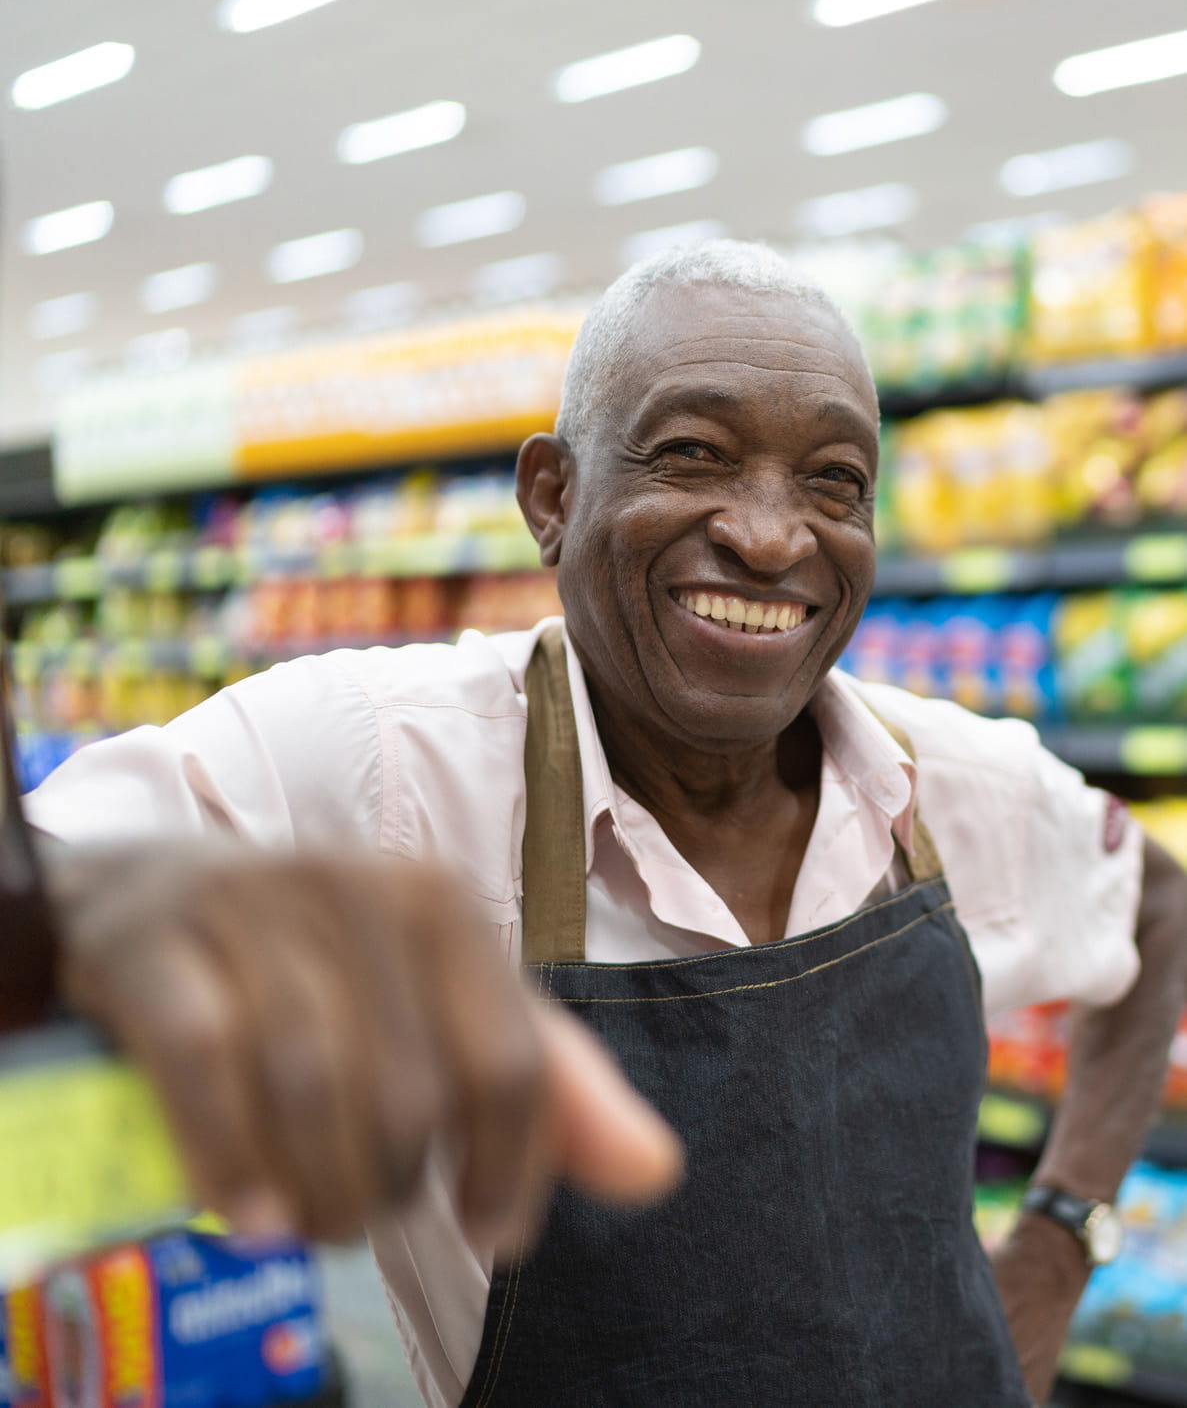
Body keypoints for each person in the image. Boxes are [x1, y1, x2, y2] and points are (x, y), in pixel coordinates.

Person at [29, 240, 1187, 1408]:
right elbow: (52, 874)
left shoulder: (942, 777)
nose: (772, 535)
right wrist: (91, 927)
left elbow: (1155, 897)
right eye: (692, 453)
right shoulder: (383, 761)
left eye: (833, 478)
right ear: (552, 496)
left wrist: (1056, 1236)